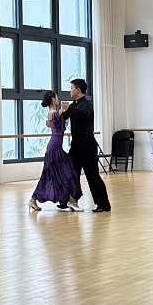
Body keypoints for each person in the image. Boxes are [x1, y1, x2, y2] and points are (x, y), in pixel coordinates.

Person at [62, 78, 111, 213]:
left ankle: (103, 204)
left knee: (92, 175)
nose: (70, 90)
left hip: (87, 144)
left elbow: (84, 114)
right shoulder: (73, 105)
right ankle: (69, 201)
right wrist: (54, 117)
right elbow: (64, 117)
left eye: (71, 88)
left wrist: (69, 108)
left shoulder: (87, 104)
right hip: (76, 144)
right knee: (72, 173)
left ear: (78, 90)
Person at [29, 91, 82, 212]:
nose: (58, 99)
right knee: (63, 173)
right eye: (57, 97)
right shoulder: (53, 112)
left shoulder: (54, 113)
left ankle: (33, 199)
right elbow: (56, 116)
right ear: (53, 99)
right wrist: (64, 109)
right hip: (54, 148)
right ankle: (72, 201)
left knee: (54, 175)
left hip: (56, 147)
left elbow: (57, 122)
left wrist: (60, 113)